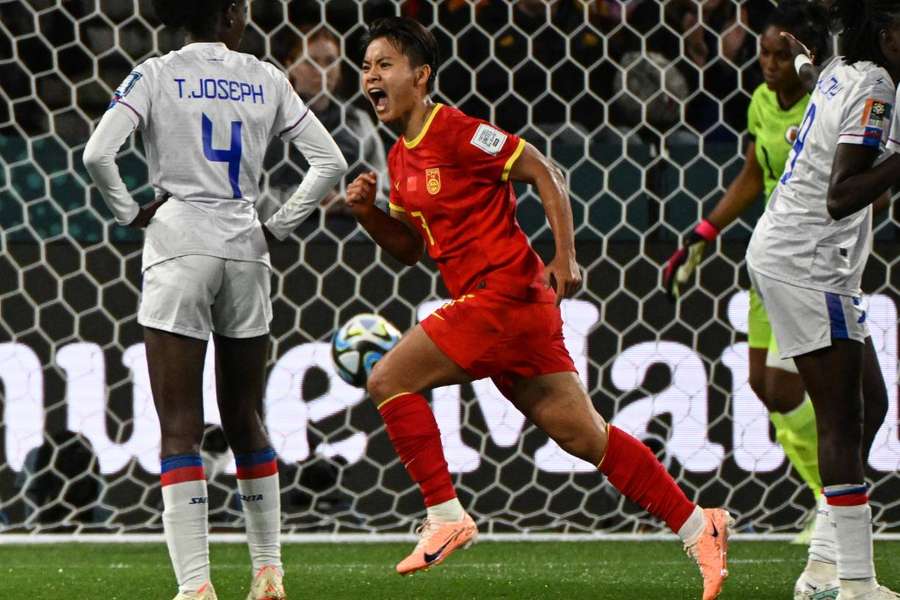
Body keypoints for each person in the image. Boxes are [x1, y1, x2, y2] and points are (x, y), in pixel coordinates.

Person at [345, 16, 732, 600]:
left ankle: (445, 514)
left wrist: (566, 255)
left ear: (421, 77)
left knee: (387, 378)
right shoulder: (400, 160)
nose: (371, 76)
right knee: (584, 437)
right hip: (503, 309)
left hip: (503, 297)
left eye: (384, 64)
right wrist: (370, 213)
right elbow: (411, 252)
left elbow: (544, 171)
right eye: (367, 66)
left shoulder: (457, 131)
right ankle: (700, 526)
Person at [82, 1, 347, 598]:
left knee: (180, 428)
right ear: (230, 15)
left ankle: (197, 587)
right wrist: (279, 225)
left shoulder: (154, 73)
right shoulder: (267, 76)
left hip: (178, 243)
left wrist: (129, 212)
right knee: (246, 417)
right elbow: (330, 160)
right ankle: (268, 569)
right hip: (245, 245)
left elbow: (97, 153)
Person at [745, 1, 900, 598]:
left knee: (871, 404)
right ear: (885, 34)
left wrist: (808, 69)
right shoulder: (877, 85)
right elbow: (842, 196)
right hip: (807, 263)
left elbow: (822, 91)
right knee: (843, 421)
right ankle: (857, 585)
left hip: (800, 256)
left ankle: (820, 568)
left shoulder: (844, 67)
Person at [663, 0, 831, 545]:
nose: (769, 64)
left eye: (781, 56)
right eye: (763, 53)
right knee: (764, 385)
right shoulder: (761, 101)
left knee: (790, 388)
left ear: (804, 59)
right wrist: (703, 232)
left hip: (813, 261)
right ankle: (827, 496)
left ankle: (836, 497)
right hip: (769, 258)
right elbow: (754, 174)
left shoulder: (824, 107)